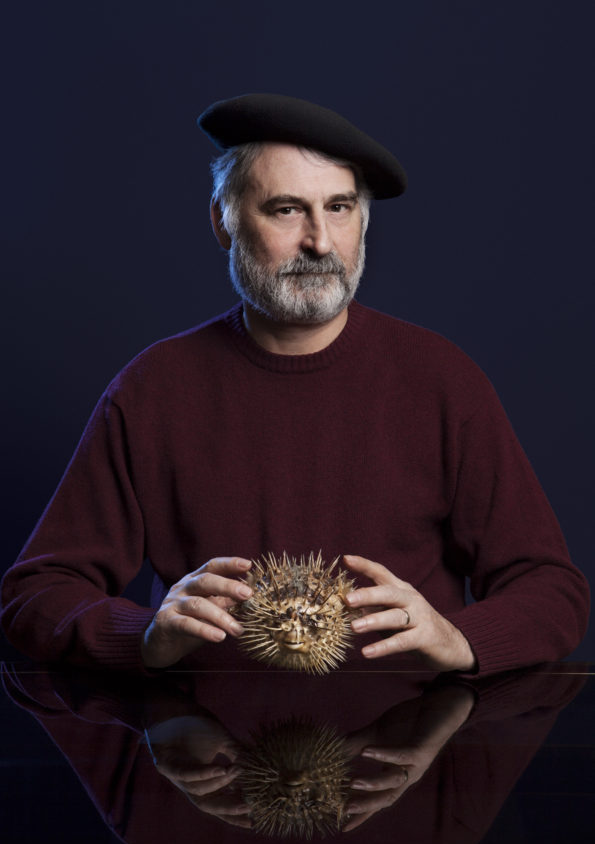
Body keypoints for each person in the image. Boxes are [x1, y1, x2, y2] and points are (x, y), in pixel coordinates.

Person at [0, 94, 589, 676]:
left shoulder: (442, 380)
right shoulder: (153, 389)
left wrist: (461, 637)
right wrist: (142, 635)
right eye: (286, 209)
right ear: (224, 221)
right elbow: (35, 595)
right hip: (209, 757)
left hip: (409, 754)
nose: (320, 242)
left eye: (339, 207)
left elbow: (553, 592)